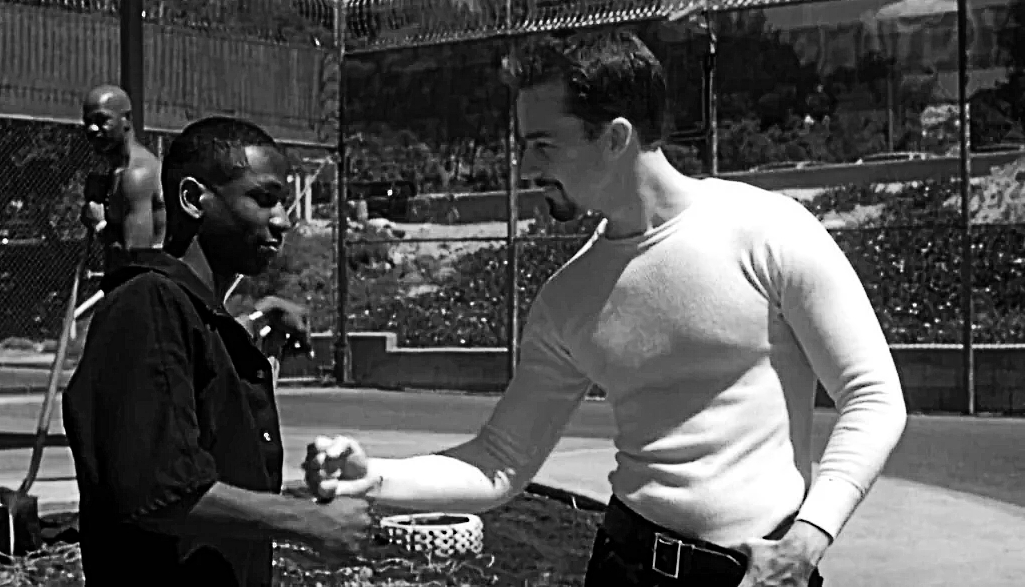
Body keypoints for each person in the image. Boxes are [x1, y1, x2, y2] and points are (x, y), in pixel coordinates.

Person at [303, 31, 908, 587]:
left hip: (761, 572)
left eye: (543, 145)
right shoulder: (568, 296)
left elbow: (873, 396)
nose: (526, 168)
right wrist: (375, 476)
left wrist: (806, 542)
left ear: (616, 138)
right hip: (622, 567)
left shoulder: (768, 231)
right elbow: (502, 460)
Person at [62, 116, 372, 587]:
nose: (283, 220)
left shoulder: (190, 314)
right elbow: (160, 490)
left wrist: (255, 322)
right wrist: (310, 521)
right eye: (263, 199)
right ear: (192, 199)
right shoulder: (145, 303)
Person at [79, 84, 166, 274]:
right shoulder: (118, 171)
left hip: (147, 287)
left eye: (102, 120)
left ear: (126, 119)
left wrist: (100, 224)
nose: (92, 128)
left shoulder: (136, 174)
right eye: (88, 122)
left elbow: (136, 261)